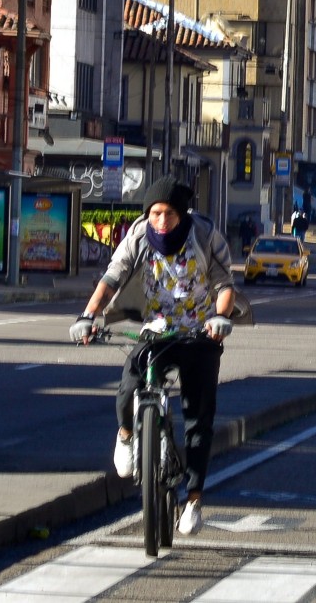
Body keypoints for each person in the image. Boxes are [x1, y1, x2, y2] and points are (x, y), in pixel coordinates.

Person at [69, 176, 244, 536]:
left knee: (199, 417)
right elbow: (112, 277)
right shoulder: (138, 235)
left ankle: (193, 499)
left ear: (181, 214)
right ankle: (126, 434)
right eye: (154, 213)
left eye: (167, 214)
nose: (160, 221)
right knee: (130, 381)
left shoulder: (205, 235)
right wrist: (88, 316)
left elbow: (225, 285)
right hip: (156, 329)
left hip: (199, 331)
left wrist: (220, 318)